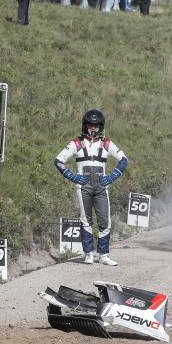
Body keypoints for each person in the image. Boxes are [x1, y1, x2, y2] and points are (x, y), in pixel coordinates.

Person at [55, 110, 128, 266]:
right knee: (85, 221)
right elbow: (58, 161)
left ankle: (103, 255)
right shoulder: (76, 143)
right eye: (90, 125)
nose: (93, 128)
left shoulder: (107, 143)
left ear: (100, 126)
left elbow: (124, 160)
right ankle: (88, 254)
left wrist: (113, 176)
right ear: (85, 125)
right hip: (83, 187)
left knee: (105, 222)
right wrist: (72, 176)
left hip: (102, 187)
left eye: (96, 125)